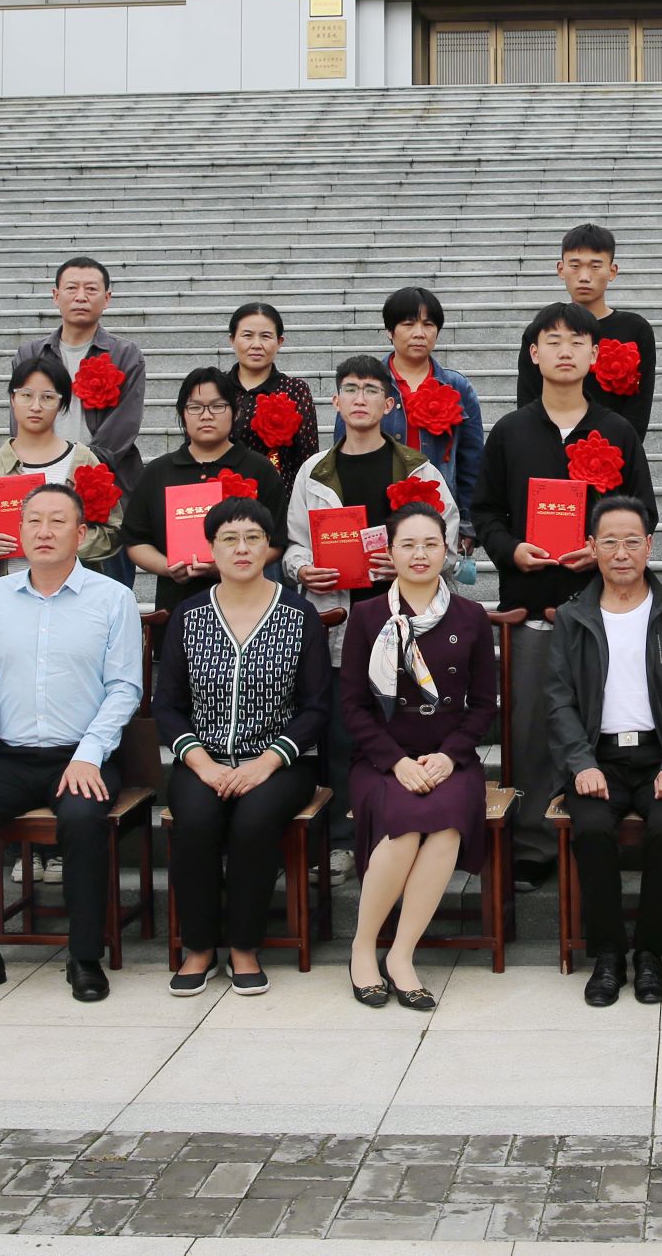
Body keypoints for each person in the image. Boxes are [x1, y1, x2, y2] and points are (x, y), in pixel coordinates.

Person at [0, 483, 142, 1006]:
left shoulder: (112, 598)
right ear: (19, 530)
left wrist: (90, 753)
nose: (44, 531)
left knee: (82, 819)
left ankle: (84, 956)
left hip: (83, 755)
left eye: (57, 521)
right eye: (33, 521)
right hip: (7, 756)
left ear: (82, 533)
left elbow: (125, 688)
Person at [474, 302, 657, 889]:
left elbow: (644, 512)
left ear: (595, 355)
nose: (564, 351)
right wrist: (511, 550)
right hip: (529, 607)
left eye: (577, 341)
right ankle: (532, 843)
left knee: (602, 722)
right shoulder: (510, 432)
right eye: (552, 341)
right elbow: (486, 511)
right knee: (531, 727)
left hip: (604, 612)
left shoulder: (616, 431)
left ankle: (591, 836)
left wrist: (599, 550)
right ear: (533, 354)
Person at [154, 497, 329, 997]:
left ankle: (245, 946)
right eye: (228, 539)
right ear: (211, 549)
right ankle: (199, 947)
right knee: (196, 820)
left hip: (281, 763)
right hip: (202, 759)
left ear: (269, 547)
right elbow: (167, 705)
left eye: (253, 538)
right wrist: (202, 763)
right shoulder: (189, 615)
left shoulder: (298, 614)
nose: (242, 548)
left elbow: (316, 707)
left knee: (254, 822)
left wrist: (266, 763)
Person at [285, 355, 453, 875]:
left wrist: (407, 561)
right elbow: (294, 542)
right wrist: (302, 570)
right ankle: (342, 839)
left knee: (407, 727)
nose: (360, 398)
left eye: (371, 390)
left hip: (405, 619)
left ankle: (409, 829)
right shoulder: (314, 470)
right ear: (336, 401)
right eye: (351, 389)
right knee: (342, 732)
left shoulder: (418, 469)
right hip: (339, 618)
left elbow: (445, 538)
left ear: (390, 404)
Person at [545, 495, 662, 1007]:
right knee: (592, 830)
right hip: (598, 760)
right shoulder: (573, 616)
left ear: (649, 546)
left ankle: (650, 954)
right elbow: (558, 701)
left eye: (632, 542)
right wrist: (581, 763)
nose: (622, 553)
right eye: (611, 542)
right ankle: (608, 954)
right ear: (592, 547)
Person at [342, 502, 499, 1012]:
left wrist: (450, 756)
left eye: (431, 544)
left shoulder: (470, 617)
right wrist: (396, 762)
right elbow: (353, 705)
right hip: (383, 758)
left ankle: (401, 955)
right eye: (407, 544)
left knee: (448, 825)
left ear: (446, 550)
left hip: (450, 757)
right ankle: (363, 948)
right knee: (406, 826)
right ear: (389, 552)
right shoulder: (368, 616)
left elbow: (483, 705)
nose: (420, 554)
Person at [121, 367, 288, 619]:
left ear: (235, 412)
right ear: (182, 413)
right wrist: (166, 567)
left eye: (217, 406)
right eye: (195, 407)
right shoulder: (158, 472)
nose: (206, 415)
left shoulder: (259, 469)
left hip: (247, 606)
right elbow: (135, 540)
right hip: (177, 605)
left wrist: (229, 565)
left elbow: (277, 542)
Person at [0, 355, 122, 581]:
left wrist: (66, 543)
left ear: (61, 404)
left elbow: (113, 532)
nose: (35, 406)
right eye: (26, 395)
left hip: (74, 590)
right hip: (11, 587)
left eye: (48, 397)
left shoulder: (83, 461)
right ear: (12, 399)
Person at [14, 256, 147, 495]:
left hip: (102, 482)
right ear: (56, 296)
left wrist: (77, 470)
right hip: (41, 478)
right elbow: (20, 420)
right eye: (72, 288)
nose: (81, 297)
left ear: (107, 298)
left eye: (91, 289)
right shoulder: (30, 354)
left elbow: (122, 428)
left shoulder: (125, 355)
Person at [515, 224, 657, 440]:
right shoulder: (542, 331)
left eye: (595, 266)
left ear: (612, 271)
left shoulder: (636, 330)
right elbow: (528, 401)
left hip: (615, 450)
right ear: (561, 269)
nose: (584, 276)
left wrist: (622, 449)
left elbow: (639, 408)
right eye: (575, 266)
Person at [381, 286, 485, 550]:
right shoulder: (369, 383)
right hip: (379, 514)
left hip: (439, 515)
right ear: (390, 331)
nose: (419, 333)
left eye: (428, 325)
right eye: (408, 324)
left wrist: (467, 523)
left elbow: (471, 461)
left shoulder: (457, 387)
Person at [227, 301, 321, 488]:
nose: (256, 345)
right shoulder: (217, 388)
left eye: (266, 336)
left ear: (279, 342)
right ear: (232, 340)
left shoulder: (294, 390)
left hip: (278, 495)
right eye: (247, 335)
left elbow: (307, 458)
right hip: (223, 493)